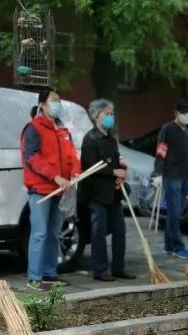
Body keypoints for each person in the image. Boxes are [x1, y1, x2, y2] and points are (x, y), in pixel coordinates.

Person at [21, 87, 80, 291]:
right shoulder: (33, 128)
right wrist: (54, 176)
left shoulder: (62, 130)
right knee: (39, 234)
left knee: (55, 233)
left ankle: (50, 274)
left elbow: (72, 155)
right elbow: (31, 158)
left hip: (60, 190)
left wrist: (75, 173)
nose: (58, 104)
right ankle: (34, 279)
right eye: (54, 100)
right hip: (40, 190)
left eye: (59, 100)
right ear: (42, 105)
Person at [80, 98, 135, 282]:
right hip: (96, 194)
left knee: (120, 230)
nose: (110, 117)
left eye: (112, 114)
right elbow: (89, 166)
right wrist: (113, 171)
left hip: (114, 192)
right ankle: (100, 269)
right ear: (96, 116)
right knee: (99, 231)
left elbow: (117, 161)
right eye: (107, 114)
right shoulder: (90, 139)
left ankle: (119, 267)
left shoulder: (111, 139)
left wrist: (122, 172)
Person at [153, 100, 188, 260]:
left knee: (175, 212)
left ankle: (168, 245)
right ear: (176, 113)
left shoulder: (187, 131)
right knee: (174, 212)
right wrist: (158, 173)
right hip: (172, 176)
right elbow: (161, 151)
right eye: (184, 112)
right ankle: (178, 246)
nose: (187, 116)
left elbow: (187, 155)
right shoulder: (168, 129)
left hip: (184, 176)